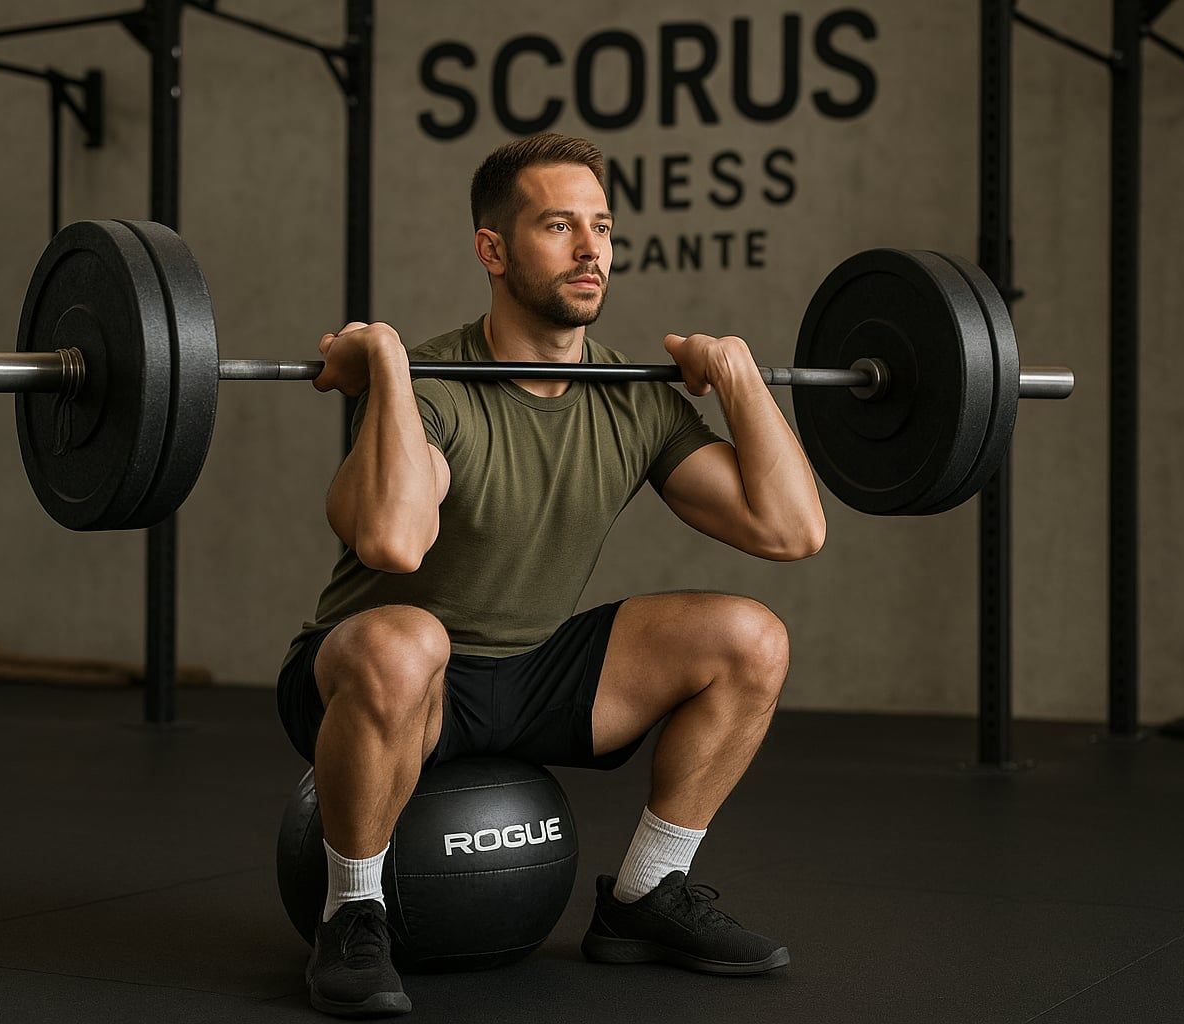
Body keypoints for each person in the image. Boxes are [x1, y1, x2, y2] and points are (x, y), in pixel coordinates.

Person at [277, 132, 826, 1018]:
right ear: (493, 250)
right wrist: (387, 364)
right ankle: (352, 914)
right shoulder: (436, 390)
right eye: (559, 226)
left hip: (531, 671)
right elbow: (392, 542)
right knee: (408, 639)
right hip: (383, 678)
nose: (590, 250)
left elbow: (791, 530)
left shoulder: (632, 399)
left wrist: (739, 379)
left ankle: (647, 893)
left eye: (601, 227)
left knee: (751, 638)